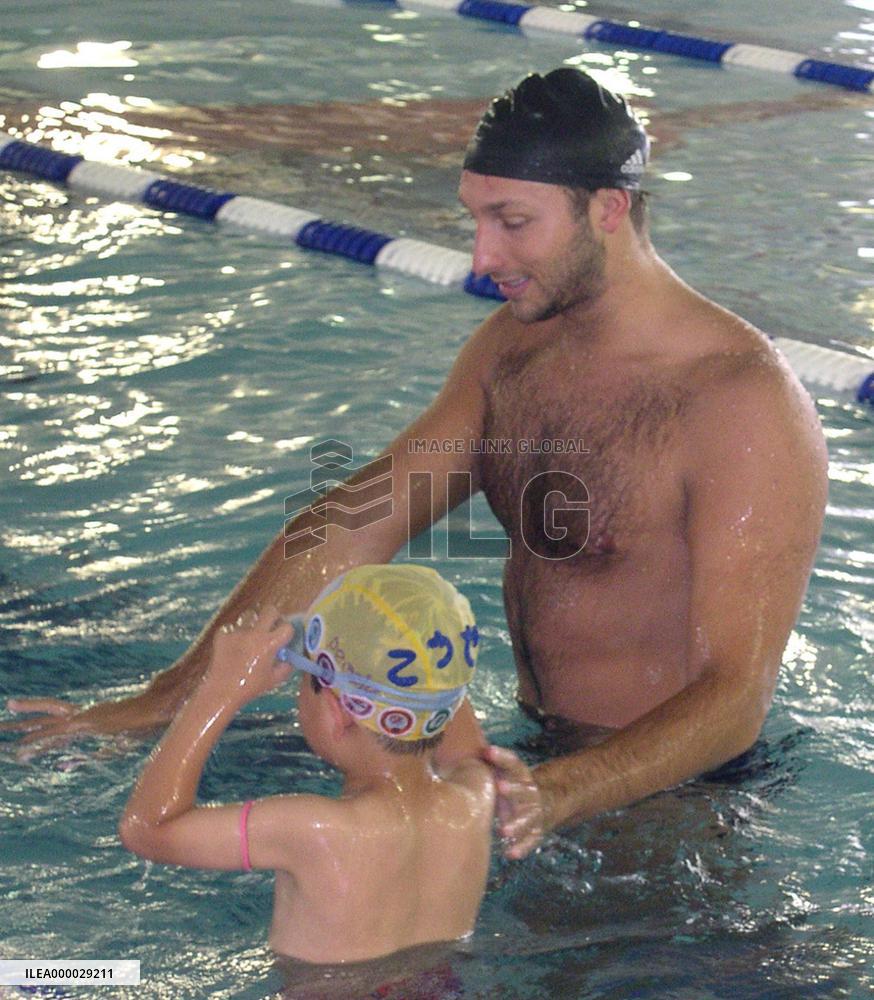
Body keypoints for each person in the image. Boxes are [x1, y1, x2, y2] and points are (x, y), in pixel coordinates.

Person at [7, 68, 828, 861]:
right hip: (529, 768)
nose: (480, 257)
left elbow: (735, 698)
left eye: (512, 221)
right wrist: (163, 699)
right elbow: (348, 525)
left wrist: (563, 792)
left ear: (608, 209)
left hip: (667, 803)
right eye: (475, 220)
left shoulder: (740, 403)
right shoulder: (514, 350)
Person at [118, 564, 494, 963]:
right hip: (445, 986)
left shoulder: (316, 830)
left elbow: (147, 830)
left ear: (337, 711)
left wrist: (221, 689)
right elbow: (458, 728)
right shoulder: (474, 799)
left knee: (93, 976)